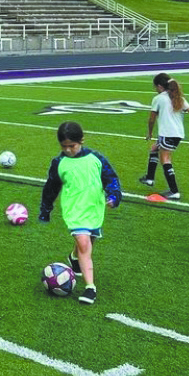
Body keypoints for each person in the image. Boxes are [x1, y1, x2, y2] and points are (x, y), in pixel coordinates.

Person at [38, 121, 122, 305]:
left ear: (81, 140)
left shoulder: (96, 159)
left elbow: (111, 178)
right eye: (64, 146)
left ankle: (74, 258)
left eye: (72, 146)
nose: (68, 150)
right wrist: (46, 209)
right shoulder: (59, 163)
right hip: (73, 210)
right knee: (84, 244)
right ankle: (90, 287)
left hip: (94, 208)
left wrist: (114, 196)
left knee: (88, 242)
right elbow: (51, 188)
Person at [139, 73, 189, 200]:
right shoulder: (179, 98)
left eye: (156, 87)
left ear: (160, 86)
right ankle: (149, 178)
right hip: (177, 134)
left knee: (165, 160)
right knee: (154, 148)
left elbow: (151, 119)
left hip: (167, 134)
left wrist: (149, 132)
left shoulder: (159, 98)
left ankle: (174, 191)